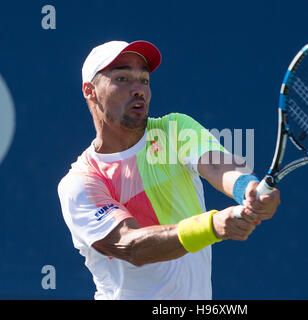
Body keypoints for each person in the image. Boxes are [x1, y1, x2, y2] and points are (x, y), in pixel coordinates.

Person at [57, 40, 280, 300]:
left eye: (144, 80)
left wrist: (247, 189)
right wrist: (212, 226)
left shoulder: (174, 130)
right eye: (122, 78)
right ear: (91, 91)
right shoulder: (81, 182)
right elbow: (131, 246)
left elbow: (218, 164)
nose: (138, 89)